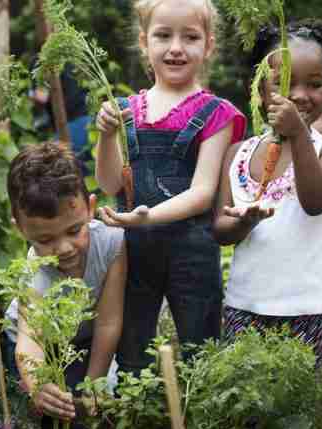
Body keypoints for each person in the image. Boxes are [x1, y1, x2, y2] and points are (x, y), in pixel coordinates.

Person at [94, 0, 246, 373]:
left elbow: (202, 194)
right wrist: (106, 136)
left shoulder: (217, 112)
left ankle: (201, 424)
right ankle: (136, 423)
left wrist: (147, 218)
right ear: (145, 42)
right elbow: (110, 182)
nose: (176, 47)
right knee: (133, 346)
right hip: (136, 248)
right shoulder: (126, 109)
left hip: (192, 249)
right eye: (163, 35)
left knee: (201, 346)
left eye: (190, 37)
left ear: (208, 45)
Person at [212, 20, 322, 366]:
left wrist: (299, 134)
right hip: (246, 304)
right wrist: (245, 223)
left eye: (314, 85)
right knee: (245, 402)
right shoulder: (237, 153)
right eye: (285, 84)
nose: (300, 95)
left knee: (299, 406)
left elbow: (316, 203)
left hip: (308, 309)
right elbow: (220, 231)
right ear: (259, 90)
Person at [6, 141, 127, 429]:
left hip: (86, 338)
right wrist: (37, 386)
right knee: (47, 409)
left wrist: (94, 385)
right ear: (20, 229)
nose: (63, 248)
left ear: (89, 207)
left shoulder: (112, 244)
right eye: (45, 239)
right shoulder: (36, 270)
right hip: (43, 346)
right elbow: (30, 340)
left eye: (74, 230)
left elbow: (109, 321)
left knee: (101, 405)